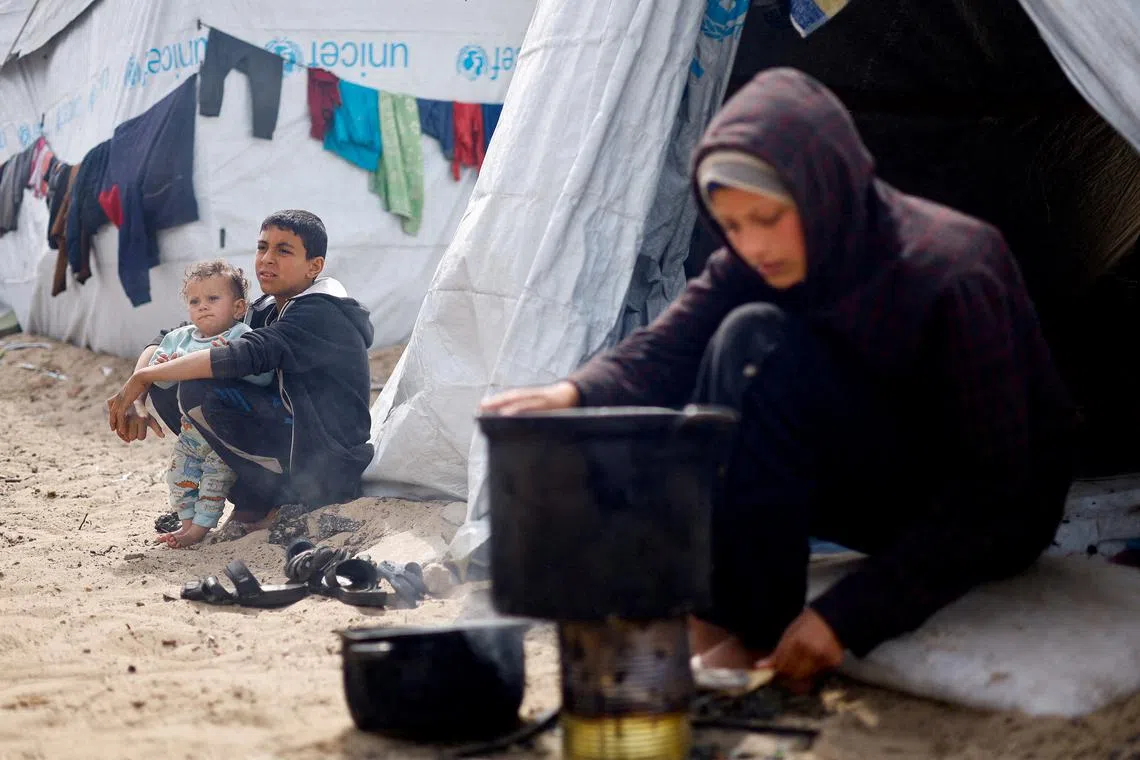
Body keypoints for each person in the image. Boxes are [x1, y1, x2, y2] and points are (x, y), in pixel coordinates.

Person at [480, 69, 1077, 688]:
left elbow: (996, 491)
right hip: (883, 495)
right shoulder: (759, 262)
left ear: (822, 190)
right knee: (746, 338)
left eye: (767, 218)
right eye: (733, 226)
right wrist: (569, 394)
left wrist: (847, 615)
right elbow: (666, 350)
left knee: (762, 352)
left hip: (997, 514)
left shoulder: (952, 270)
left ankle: (740, 630)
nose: (753, 245)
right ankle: (730, 623)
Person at [106, 209, 375, 542]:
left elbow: (240, 356)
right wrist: (142, 387)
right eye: (262, 248)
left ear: (314, 266)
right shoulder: (267, 307)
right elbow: (170, 337)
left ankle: (274, 499)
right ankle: (255, 498)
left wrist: (142, 379)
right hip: (294, 441)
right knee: (171, 379)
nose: (267, 259)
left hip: (327, 466)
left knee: (198, 389)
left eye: (283, 251)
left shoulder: (320, 311)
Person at [150, 260, 274, 548]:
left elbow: (264, 377)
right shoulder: (178, 339)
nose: (202, 306)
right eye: (195, 301)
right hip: (191, 434)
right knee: (178, 476)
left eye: (213, 299)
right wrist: (165, 368)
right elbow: (161, 381)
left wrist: (231, 363)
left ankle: (200, 530)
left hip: (223, 434)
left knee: (214, 481)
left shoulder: (240, 337)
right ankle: (187, 524)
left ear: (238, 307)